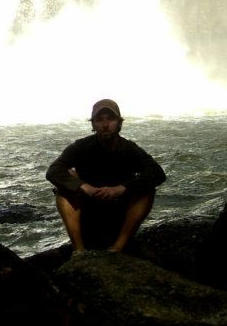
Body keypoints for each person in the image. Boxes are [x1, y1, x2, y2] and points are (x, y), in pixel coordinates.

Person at [46, 99, 166, 253]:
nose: (105, 124)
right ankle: (79, 251)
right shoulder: (81, 146)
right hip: (89, 208)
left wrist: (121, 189)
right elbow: (53, 170)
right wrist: (83, 186)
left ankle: (117, 248)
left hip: (119, 208)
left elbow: (157, 173)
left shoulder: (129, 148)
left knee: (147, 190)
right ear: (93, 124)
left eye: (110, 119)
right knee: (63, 189)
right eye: (99, 120)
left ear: (119, 123)